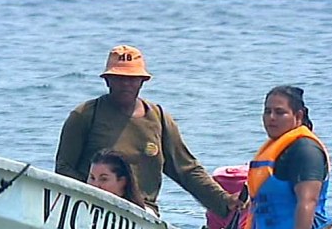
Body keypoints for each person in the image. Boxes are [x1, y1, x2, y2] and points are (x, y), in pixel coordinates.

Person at [55, 44, 245, 218]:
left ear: (143, 81)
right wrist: (94, 193)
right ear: (107, 80)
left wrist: (224, 200)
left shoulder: (159, 119)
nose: (126, 84)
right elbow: (63, 168)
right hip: (91, 206)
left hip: (142, 210)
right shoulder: (85, 115)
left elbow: (187, 170)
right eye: (119, 78)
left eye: (132, 79)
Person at [241, 85, 332, 229]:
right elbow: (263, 207)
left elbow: (308, 201)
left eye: (280, 112)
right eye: (267, 112)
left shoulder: (305, 150)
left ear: (298, 116)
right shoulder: (276, 150)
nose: (271, 118)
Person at [87, 148, 156, 216]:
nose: (95, 185)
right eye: (92, 178)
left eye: (104, 179)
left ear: (122, 182)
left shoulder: (145, 215)